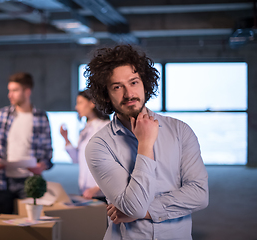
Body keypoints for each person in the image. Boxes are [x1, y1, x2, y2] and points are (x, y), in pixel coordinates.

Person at [84, 45, 209, 240]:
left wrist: (145, 211)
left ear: (145, 83)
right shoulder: (99, 145)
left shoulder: (180, 131)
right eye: (117, 87)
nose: (128, 94)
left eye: (133, 82)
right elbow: (134, 207)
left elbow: (200, 194)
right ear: (106, 93)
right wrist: (145, 144)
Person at [0, 72, 53, 217]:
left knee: (30, 228)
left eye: (15, 90)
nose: (10, 95)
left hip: (30, 182)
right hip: (4, 181)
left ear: (27, 91)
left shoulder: (41, 117)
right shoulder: (3, 115)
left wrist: (43, 165)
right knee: (2, 226)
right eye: (9, 90)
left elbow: (48, 153)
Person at [60, 89, 109, 202]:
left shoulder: (105, 127)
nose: (77, 107)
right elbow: (77, 159)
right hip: (85, 191)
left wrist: (97, 187)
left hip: (101, 193)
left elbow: (110, 162)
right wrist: (66, 138)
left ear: (92, 103)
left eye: (80, 103)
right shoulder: (85, 130)